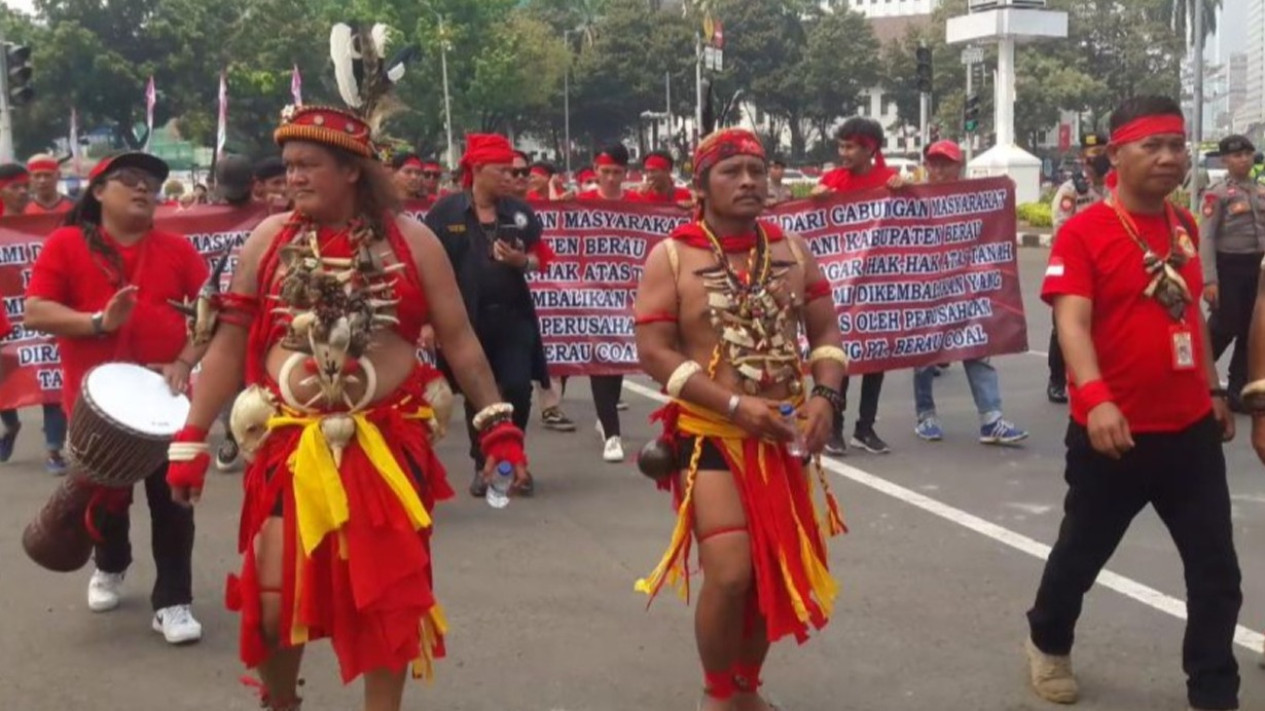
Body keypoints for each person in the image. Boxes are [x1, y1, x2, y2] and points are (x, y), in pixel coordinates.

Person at [163, 101, 528, 711]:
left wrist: (497, 428)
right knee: (276, 600)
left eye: (309, 165)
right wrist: (191, 437)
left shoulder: (414, 242)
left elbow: (460, 341)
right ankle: (280, 701)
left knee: (386, 602)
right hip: (289, 444)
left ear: (354, 170)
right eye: (288, 165)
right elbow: (228, 343)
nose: (294, 177)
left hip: (386, 444)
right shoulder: (267, 239)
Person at [1025, 96, 1242, 711]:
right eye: (1153, 146)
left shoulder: (1184, 227)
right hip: (1111, 434)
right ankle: (1047, 640)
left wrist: (1212, 388)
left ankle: (1213, 690)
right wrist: (1095, 401)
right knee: (1079, 556)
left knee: (1216, 573)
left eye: (1177, 144)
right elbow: (1072, 324)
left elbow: (1189, 315)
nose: (1170, 158)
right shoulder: (1084, 230)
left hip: (1190, 433)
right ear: (1116, 153)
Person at [634, 127, 847, 711]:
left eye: (758, 169)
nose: (750, 181)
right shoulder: (672, 255)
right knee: (729, 574)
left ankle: (746, 688)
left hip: (782, 437)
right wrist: (733, 404)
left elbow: (826, 332)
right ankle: (717, 693)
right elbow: (654, 352)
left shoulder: (792, 251)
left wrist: (826, 398)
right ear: (700, 186)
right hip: (713, 438)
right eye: (732, 171)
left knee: (766, 575)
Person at [24, 151, 209, 643]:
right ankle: (111, 563)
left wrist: (185, 362)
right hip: (94, 408)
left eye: (150, 180)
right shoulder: (66, 244)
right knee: (106, 503)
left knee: (173, 503)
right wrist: (98, 323)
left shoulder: (177, 251)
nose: (143, 187)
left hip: (166, 401)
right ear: (99, 191)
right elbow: (36, 311)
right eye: (129, 178)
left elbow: (210, 314)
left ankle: (173, 601)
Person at [425, 134, 551, 497]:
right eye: (502, 170)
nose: (510, 178)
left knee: (516, 388)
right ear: (477, 169)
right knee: (477, 391)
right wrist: (428, 322)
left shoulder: (520, 212)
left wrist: (520, 262)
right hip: (464, 322)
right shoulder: (444, 214)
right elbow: (427, 269)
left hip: (513, 318)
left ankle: (512, 459)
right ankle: (485, 464)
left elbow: (540, 258)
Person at [909, 141, 1028, 445]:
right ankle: (926, 415)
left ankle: (991, 418)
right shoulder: (912, 197)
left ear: (958, 166)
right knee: (925, 355)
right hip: (927, 289)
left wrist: (1003, 193)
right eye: (933, 163)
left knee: (977, 349)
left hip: (966, 290)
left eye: (944, 164)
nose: (937, 170)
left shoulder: (975, 198)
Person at [812, 117, 903, 455]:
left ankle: (865, 428)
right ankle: (835, 427)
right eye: (841, 146)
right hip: (842, 286)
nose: (843, 153)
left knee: (875, 357)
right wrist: (817, 199)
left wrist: (904, 192)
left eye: (850, 147)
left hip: (878, 285)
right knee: (842, 358)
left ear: (870, 149)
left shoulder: (890, 181)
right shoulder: (832, 181)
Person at [0, 161, 69, 472]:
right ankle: (10, 425)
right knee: (6, 379)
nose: (24, 190)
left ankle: (54, 450)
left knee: (49, 376)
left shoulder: (52, 219)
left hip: (42, 308)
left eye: (23, 185)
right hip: (6, 315)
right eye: (16, 186)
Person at [576, 144, 640, 462]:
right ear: (595, 171)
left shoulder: (638, 205)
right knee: (600, 359)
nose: (612, 178)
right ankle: (612, 434)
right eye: (606, 172)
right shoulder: (580, 203)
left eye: (617, 172)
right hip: (591, 295)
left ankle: (606, 416)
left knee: (618, 360)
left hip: (628, 296)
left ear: (625, 173)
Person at [1200, 134, 1264, 413]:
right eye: (1236, 156)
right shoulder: (1217, 193)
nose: (1243, 160)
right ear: (1225, 160)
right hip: (1229, 267)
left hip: (1257, 267)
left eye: (1247, 154)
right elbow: (1207, 238)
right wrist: (1210, 280)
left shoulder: (1260, 190)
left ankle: (1238, 389)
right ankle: (1197, 374)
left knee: (1251, 330)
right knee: (1224, 325)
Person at [1047, 132, 1110, 405]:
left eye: (1102, 152)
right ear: (1083, 158)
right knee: (1064, 325)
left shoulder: (1115, 186)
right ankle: (1056, 380)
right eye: (1092, 154)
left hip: (1108, 265)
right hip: (1076, 266)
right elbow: (1061, 229)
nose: (1098, 158)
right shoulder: (1071, 190)